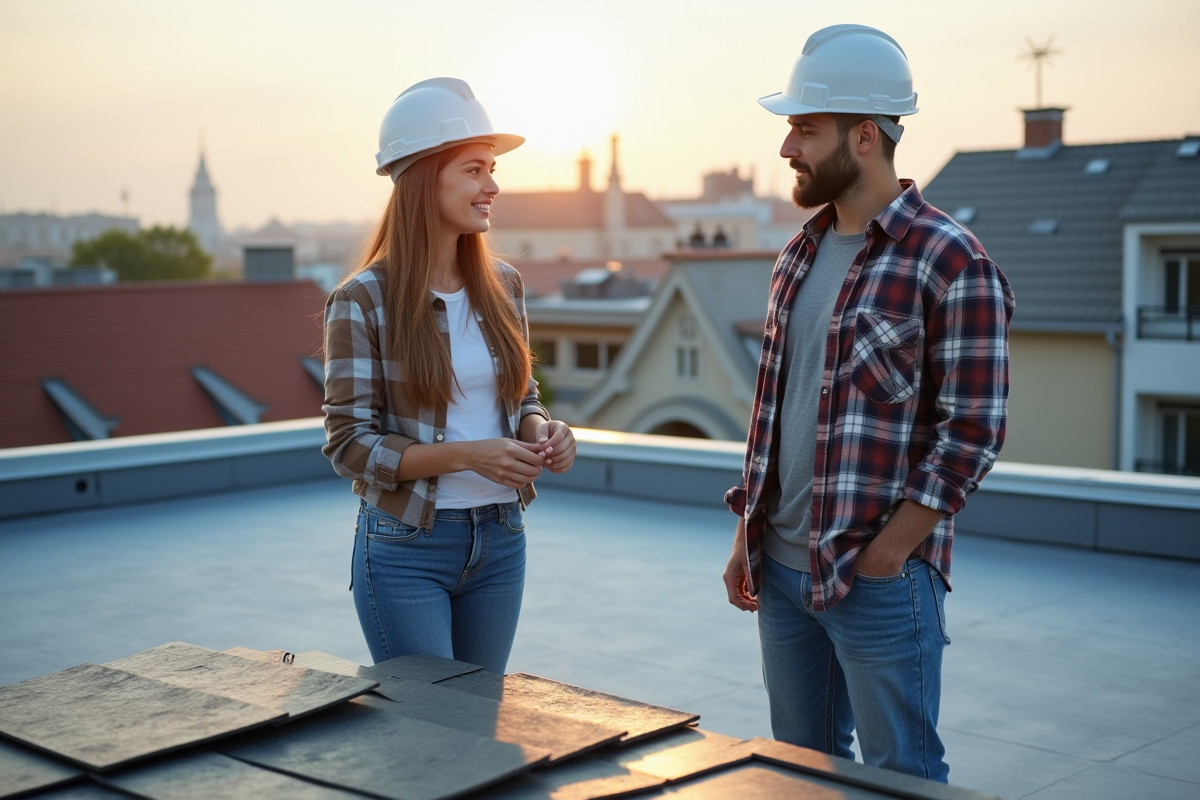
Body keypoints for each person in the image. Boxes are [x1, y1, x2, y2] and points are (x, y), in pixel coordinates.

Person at [721, 25, 1014, 782]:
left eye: (803, 129)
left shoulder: (952, 260)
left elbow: (975, 431)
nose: (787, 147)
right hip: (780, 573)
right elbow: (774, 416)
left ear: (862, 136)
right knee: (801, 771)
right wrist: (745, 534)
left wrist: (890, 553)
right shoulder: (797, 256)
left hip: (878, 579)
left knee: (903, 774)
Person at [322, 78, 575, 674]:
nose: (492, 186)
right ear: (422, 177)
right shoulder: (361, 301)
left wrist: (543, 428)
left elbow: (522, 397)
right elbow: (350, 445)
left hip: (501, 538)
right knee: (428, 734)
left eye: (491, 169)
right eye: (474, 170)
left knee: (480, 725)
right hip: (406, 548)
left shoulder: (504, 285)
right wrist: (470, 456)